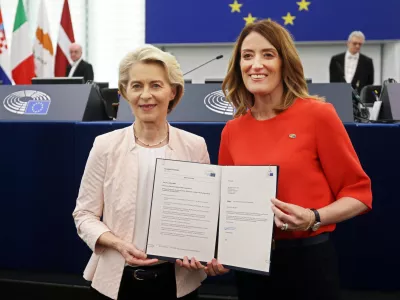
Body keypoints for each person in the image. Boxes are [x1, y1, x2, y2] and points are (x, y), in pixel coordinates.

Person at [216, 20, 373, 300]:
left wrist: (314, 217)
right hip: (250, 265)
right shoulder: (233, 130)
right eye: (247, 55)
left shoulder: (318, 115)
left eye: (268, 54)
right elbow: (226, 205)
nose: (256, 64)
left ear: (284, 61)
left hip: (308, 263)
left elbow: (359, 194)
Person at [72, 45, 210, 300]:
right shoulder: (105, 145)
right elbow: (84, 215)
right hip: (116, 282)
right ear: (124, 92)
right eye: (136, 86)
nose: (146, 95)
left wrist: (201, 250)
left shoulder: (195, 146)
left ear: (173, 91)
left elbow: (203, 218)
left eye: (156, 85)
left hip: (178, 284)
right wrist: (116, 243)